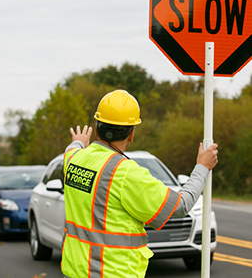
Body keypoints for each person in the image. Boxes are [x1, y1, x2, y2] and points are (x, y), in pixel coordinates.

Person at [61, 89, 218, 278]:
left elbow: (71, 149)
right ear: (131, 134)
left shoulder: (73, 160)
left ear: (96, 128)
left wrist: (78, 142)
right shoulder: (126, 172)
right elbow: (181, 205)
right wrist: (202, 167)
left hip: (74, 272)